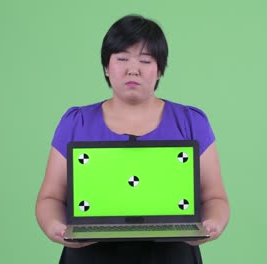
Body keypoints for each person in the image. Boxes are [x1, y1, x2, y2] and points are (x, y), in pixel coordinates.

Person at [35, 14, 230, 264]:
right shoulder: (76, 122)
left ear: (159, 69)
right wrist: (56, 227)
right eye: (122, 59)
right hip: (89, 254)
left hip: (172, 255)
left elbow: (215, 197)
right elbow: (50, 197)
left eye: (146, 60)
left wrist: (212, 224)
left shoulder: (191, 121)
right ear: (106, 66)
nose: (133, 69)